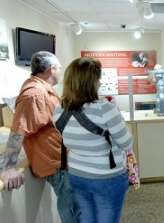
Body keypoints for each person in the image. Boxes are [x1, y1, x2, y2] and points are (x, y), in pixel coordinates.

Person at [0, 51, 81, 223]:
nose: (60, 71)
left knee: (76, 206)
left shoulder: (44, 90)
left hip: (63, 159)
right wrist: (8, 168)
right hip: (56, 163)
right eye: (59, 68)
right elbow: (18, 131)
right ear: (52, 69)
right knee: (74, 209)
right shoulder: (34, 94)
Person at [52, 57, 134, 223]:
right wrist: (124, 125)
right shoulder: (105, 108)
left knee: (87, 217)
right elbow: (126, 143)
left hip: (77, 173)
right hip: (107, 177)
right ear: (93, 81)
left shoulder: (59, 109)